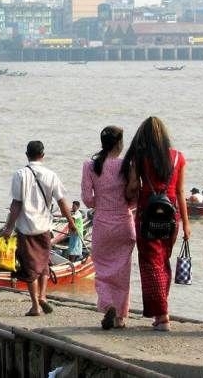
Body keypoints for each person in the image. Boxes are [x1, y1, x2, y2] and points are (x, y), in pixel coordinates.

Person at [120, 116, 190, 331]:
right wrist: (187, 224)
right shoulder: (178, 157)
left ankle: (162, 315)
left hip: (146, 216)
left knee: (151, 264)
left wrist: (128, 191)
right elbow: (179, 193)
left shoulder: (140, 158)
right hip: (171, 218)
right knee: (163, 262)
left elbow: (132, 188)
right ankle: (162, 312)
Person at [2, 141, 77, 316]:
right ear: (43, 155)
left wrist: (8, 228)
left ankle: (35, 305)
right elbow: (62, 202)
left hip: (25, 228)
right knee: (44, 264)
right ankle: (43, 295)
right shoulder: (51, 175)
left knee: (29, 268)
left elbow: (16, 204)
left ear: (26, 154)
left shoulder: (19, 175)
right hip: (45, 227)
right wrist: (71, 223)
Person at [81, 126, 136, 330]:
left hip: (103, 225)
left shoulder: (90, 165)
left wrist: (102, 202)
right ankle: (121, 317)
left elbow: (87, 200)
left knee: (103, 271)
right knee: (123, 273)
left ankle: (108, 305)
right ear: (120, 144)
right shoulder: (127, 165)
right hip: (124, 224)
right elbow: (133, 197)